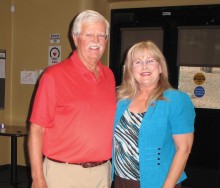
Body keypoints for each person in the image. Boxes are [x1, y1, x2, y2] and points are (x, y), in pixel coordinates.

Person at [28, 10, 116, 188]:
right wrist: (38, 179)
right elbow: (37, 130)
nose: (96, 41)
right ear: (75, 38)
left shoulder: (109, 75)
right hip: (63, 174)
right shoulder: (53, 76)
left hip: (102, 173)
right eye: (89, 34)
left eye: (102, 35)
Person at [112, 40, 195, 188]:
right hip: (121, 179)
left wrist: (167, 186)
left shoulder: (176, 99)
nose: (144, 66)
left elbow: (184, 149)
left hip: (158, 182)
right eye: (137, 62)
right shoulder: (121, 99)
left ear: (160, 67)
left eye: (150, 61)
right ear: (130, 69)